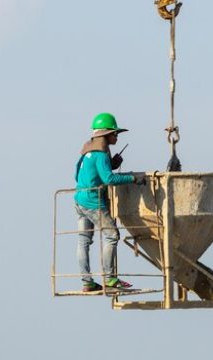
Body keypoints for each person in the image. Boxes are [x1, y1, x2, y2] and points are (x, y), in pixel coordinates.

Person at [74, 112, 141, 292]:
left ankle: (86, 282)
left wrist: (111, 163)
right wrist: (132, 179)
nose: (116, 136)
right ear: (105, 134)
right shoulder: (101, 152)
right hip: (93, 202)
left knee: (84, 240)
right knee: (112, 235)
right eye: (114, 133)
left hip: (79, 198)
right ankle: (110, 278)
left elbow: (78, 173)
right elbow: (109, 179)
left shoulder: (88, 150)